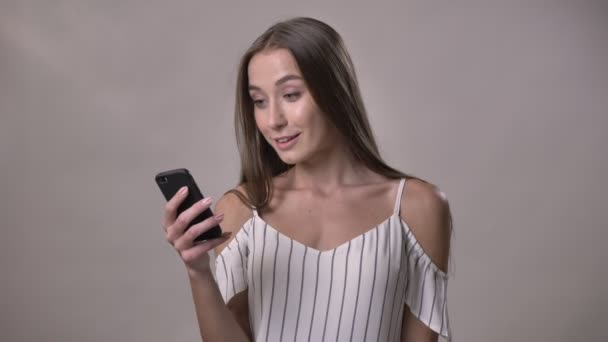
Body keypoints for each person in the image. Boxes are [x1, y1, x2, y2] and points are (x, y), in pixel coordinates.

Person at [161, 17, 452, 342]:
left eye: (291, 94)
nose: (273, 121)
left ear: (335, 92)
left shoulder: (417, 207)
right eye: (259, 101)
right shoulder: (240, 211)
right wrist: (197, 271)